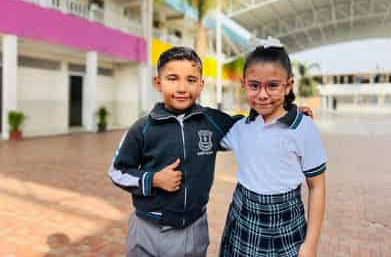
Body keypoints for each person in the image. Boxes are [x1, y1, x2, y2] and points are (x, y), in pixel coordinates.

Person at [108, 46, 313, 257]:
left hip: (193, 229)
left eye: (190, 79)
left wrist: (288, 113)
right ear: (158, 83)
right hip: (148, 228)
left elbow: (248, 125)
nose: (181, 87)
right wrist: (154, 180)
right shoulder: (142, 128)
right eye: (172, 78)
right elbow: (117, 171)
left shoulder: (211, 120)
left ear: (201, 84)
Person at [219, 46, 327, 257]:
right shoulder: (240, 127)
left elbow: (317, 187)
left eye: (273, 86)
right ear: (244, 85)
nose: (262, 94)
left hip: (286, 224)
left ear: (288, 86)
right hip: (243, 219)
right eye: (254, 86)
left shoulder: (303, 128)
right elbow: (203, 135)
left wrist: (311, 244)